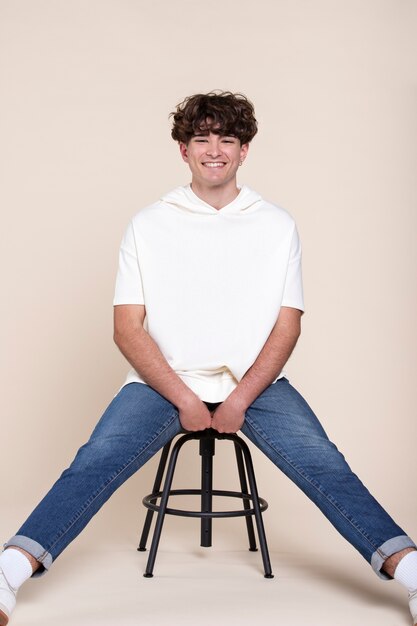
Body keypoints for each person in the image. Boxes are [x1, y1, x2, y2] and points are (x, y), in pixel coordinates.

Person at [0, 90, 416, 626]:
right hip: (162, 382)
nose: (214, 150)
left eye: (227, 139)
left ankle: (409, 574)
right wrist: (183, 398)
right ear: (183, 149)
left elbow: (287, 326)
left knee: (325, 463)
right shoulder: (149, 223)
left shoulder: (276, 224)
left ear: (245, 150)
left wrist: (240, 398)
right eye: (202, 139)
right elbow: (127, 329)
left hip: (257, 384)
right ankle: (10, 569)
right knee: (95, 459)